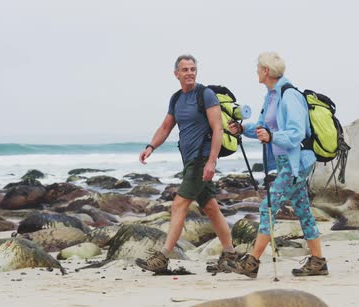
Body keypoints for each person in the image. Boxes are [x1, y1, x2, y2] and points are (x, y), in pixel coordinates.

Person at [228, 52, 328, 278]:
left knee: (267, 207)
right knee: (303, 211)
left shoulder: (289, 95)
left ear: (265, 71)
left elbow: (295, 133)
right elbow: (264, 127)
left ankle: (252, 262)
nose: (256, 72)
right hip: (285, 163)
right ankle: (318, 262)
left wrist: (272, 137)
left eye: (257, 68)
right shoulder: (271, 96)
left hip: (296, 163)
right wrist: (243, 129)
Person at [135, 54, 237, 273]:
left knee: (178, 205)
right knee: (210, 207)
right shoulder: (176, 99)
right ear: (176, 74)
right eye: (185, 70)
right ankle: (229, 254)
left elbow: (218, 128)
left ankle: (162, 258)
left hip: (202, 159)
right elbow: (165, 127)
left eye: (193, 69)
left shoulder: (206, 95)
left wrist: (212, 161)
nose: (190, 73)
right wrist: (150, 147)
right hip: (189, 160)